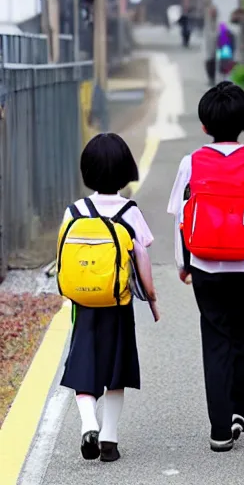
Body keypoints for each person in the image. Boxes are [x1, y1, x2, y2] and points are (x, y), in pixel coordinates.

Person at [167, 81, 244, 452]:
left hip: (205, 265)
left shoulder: (191, 163)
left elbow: (181, 217)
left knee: (215, 340)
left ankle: (219, 429)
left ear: (204, 126)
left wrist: (183, 263)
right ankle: (239, 408)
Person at [59, 133, 157, 463]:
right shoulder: (130, 211)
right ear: (126, 170)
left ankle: (89, 425)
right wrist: (153, 298)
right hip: (118, 304)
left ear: (87, 171)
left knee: (83, 368)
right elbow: (142, 255)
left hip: (83, 305)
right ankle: (110, 440)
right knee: (117, 372)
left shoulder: (74, 211)